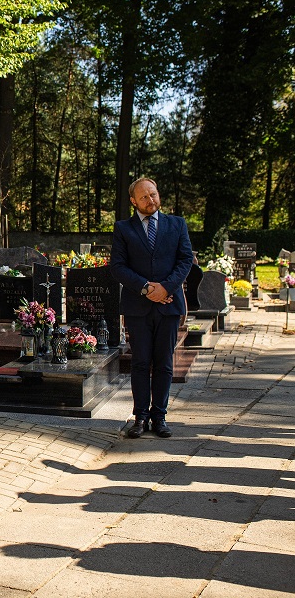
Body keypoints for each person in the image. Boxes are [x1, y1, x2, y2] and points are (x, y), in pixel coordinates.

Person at [110, 177, 193, 438]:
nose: (151, 200)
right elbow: (118, 267)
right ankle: (140, 418)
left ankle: (159, 417)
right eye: (144, 197)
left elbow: (185, 259)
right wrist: (147, 288)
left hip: (169, 305)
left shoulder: (176, 224)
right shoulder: (124, 228)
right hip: (138, 306)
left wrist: (166, 288)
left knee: (164, 364)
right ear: (134, 200)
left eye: (154, 194)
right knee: (141, 363)